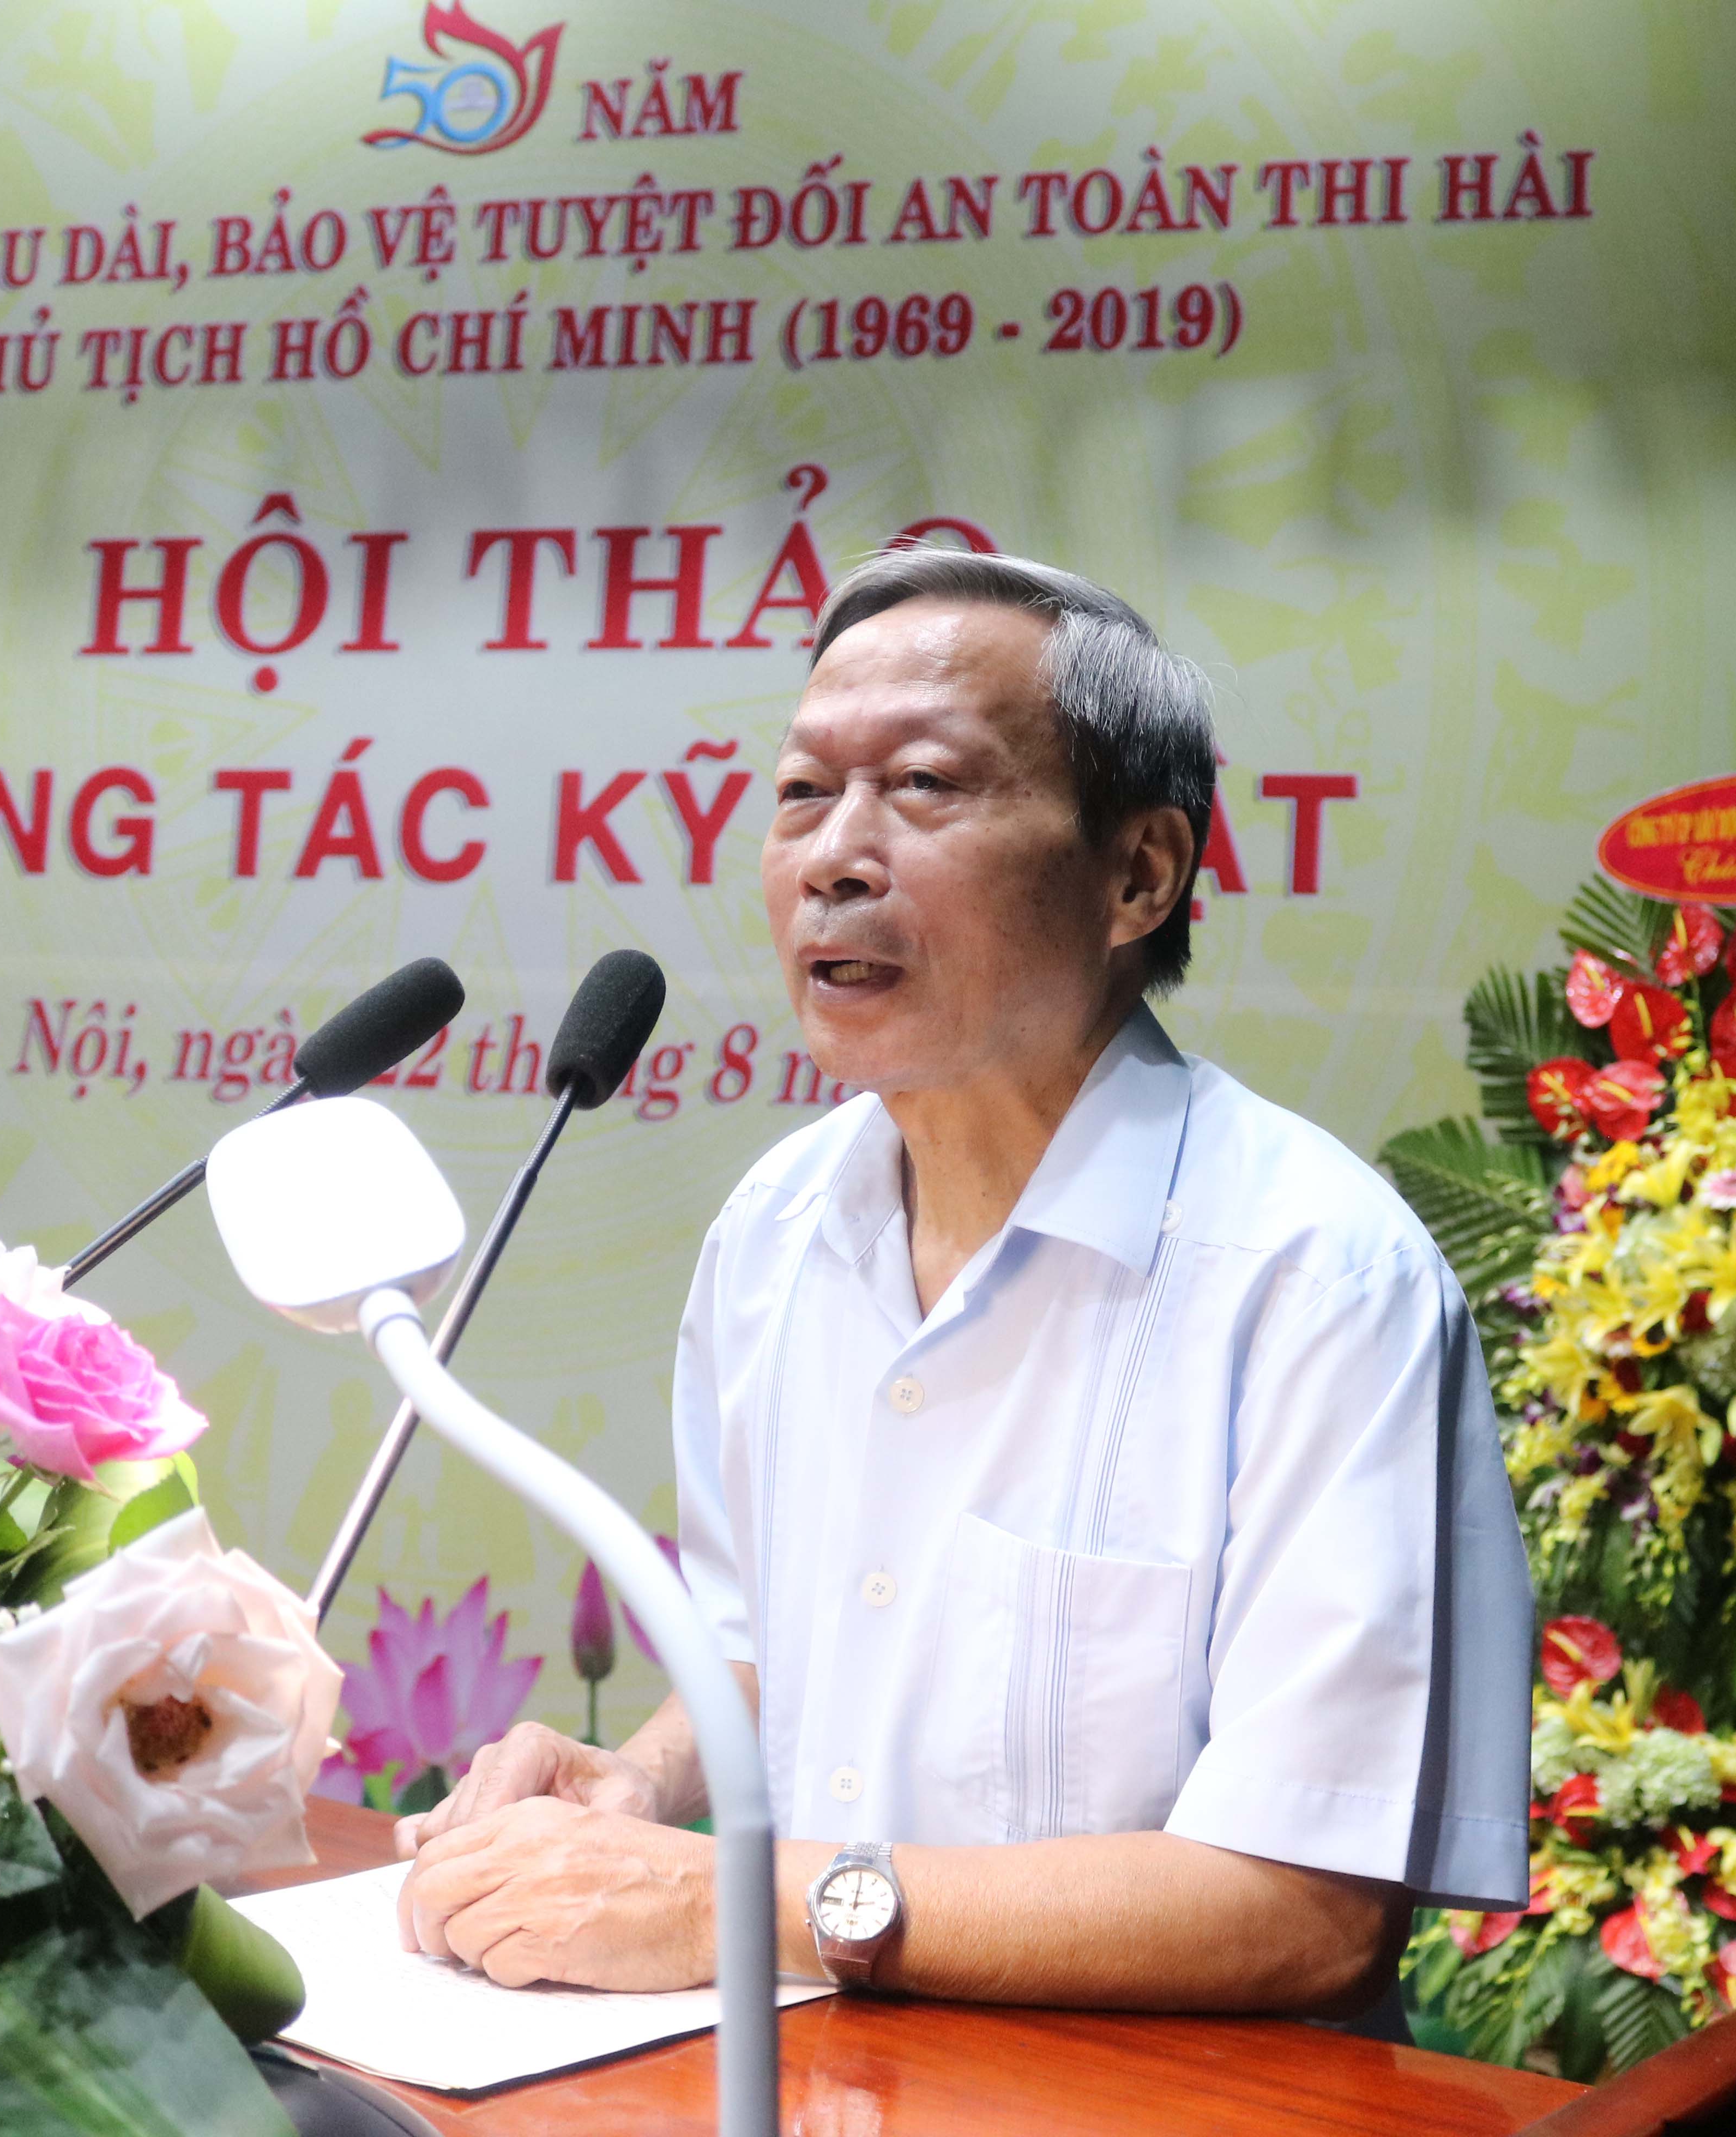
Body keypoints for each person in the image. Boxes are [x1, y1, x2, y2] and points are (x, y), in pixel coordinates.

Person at [392, 550, 1532, 2014]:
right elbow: (763, 1648)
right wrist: (641, 1777)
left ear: (1138, 874)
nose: (835, 857)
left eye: (924, 786)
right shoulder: (774, 1229)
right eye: (804, 793)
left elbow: (1301, 1909)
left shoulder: (1320, 1274)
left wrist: (741, 1905)